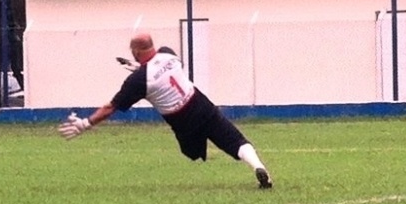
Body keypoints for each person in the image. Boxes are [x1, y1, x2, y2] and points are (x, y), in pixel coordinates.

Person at [58, 32, 273, 189]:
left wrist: (85, 124)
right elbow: (162, 72)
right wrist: (138, 68)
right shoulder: (169, 54)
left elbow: (110, 107)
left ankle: (238, 160)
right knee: (234, 140)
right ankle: (259, 167)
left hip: (183, 120)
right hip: (200, 103)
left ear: (134, 51)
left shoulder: (139, 80)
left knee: (191, 152)